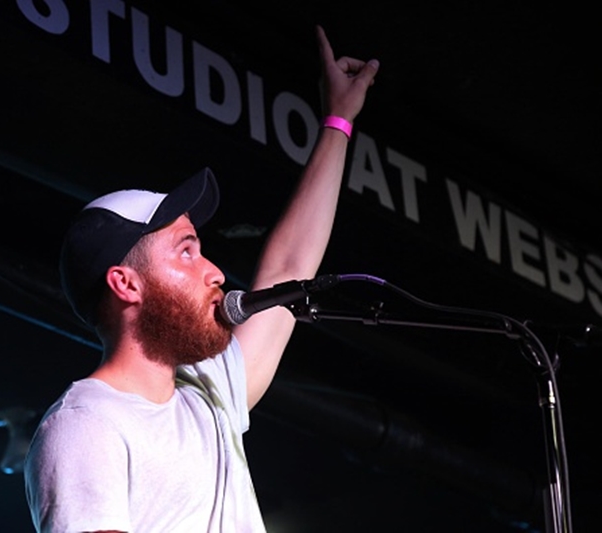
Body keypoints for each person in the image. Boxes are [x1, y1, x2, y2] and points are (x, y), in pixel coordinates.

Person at [24, 25, 379, 532]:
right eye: (186, 252)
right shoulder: (85, 425)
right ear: (126, 284)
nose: (214, 270)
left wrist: (338, 121)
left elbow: (288, 269)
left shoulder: (210, 393)